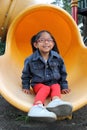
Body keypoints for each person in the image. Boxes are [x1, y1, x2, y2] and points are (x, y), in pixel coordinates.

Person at [21, 30, 73, 121]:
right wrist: (25, 86)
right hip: (38, 84)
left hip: (53, 82)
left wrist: (64, 86)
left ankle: (56, 102)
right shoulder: (30, 59)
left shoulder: (57, 57)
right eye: (42, 40)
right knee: (45, 88)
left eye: (49, 40)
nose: (46, 42)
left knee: (56, 86)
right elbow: (26, 74)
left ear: (52, 44)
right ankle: (37, 106)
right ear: (36, 44)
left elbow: (63, 73)